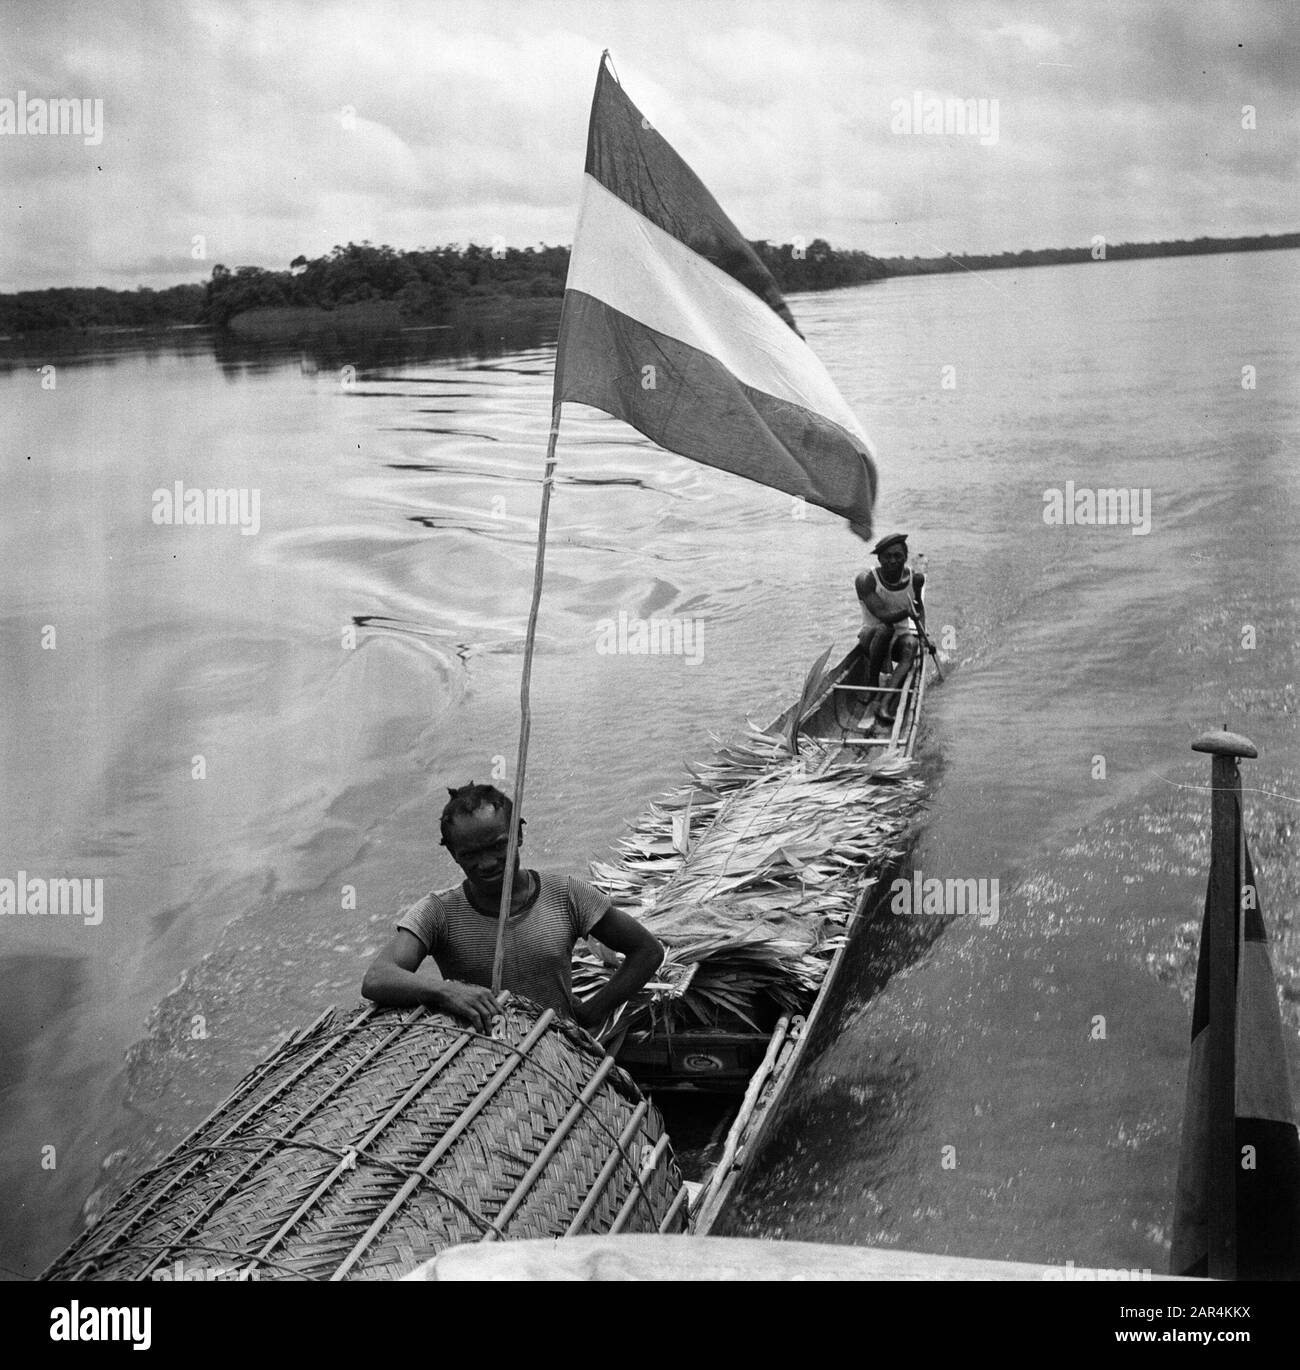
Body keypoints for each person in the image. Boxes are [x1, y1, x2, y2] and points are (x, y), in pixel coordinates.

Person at [362, 782, 664, 1034]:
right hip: (481, 1054)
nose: (488, 862)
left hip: (557, 1050)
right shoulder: (439, 912)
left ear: (518, 835)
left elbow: (647, 951)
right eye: (471, 854)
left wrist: (591, 1012)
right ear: (454, 854)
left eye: (498, 846)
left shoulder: (567, 895)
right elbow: (377, 978)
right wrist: (447, 992)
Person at [854, 532, 925, 728]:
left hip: (898, 639)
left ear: (905, 556)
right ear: (879, 559)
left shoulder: (915, 579)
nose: (893, 561)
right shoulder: (866, 579)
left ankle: (885, 704)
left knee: (912, 644)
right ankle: (872, 683)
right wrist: (907, 612)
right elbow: (883, 614)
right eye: (888, 556)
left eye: (898, 556)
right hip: (871, 639)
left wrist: (924, 635)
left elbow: (919, 608)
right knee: (885, 629)